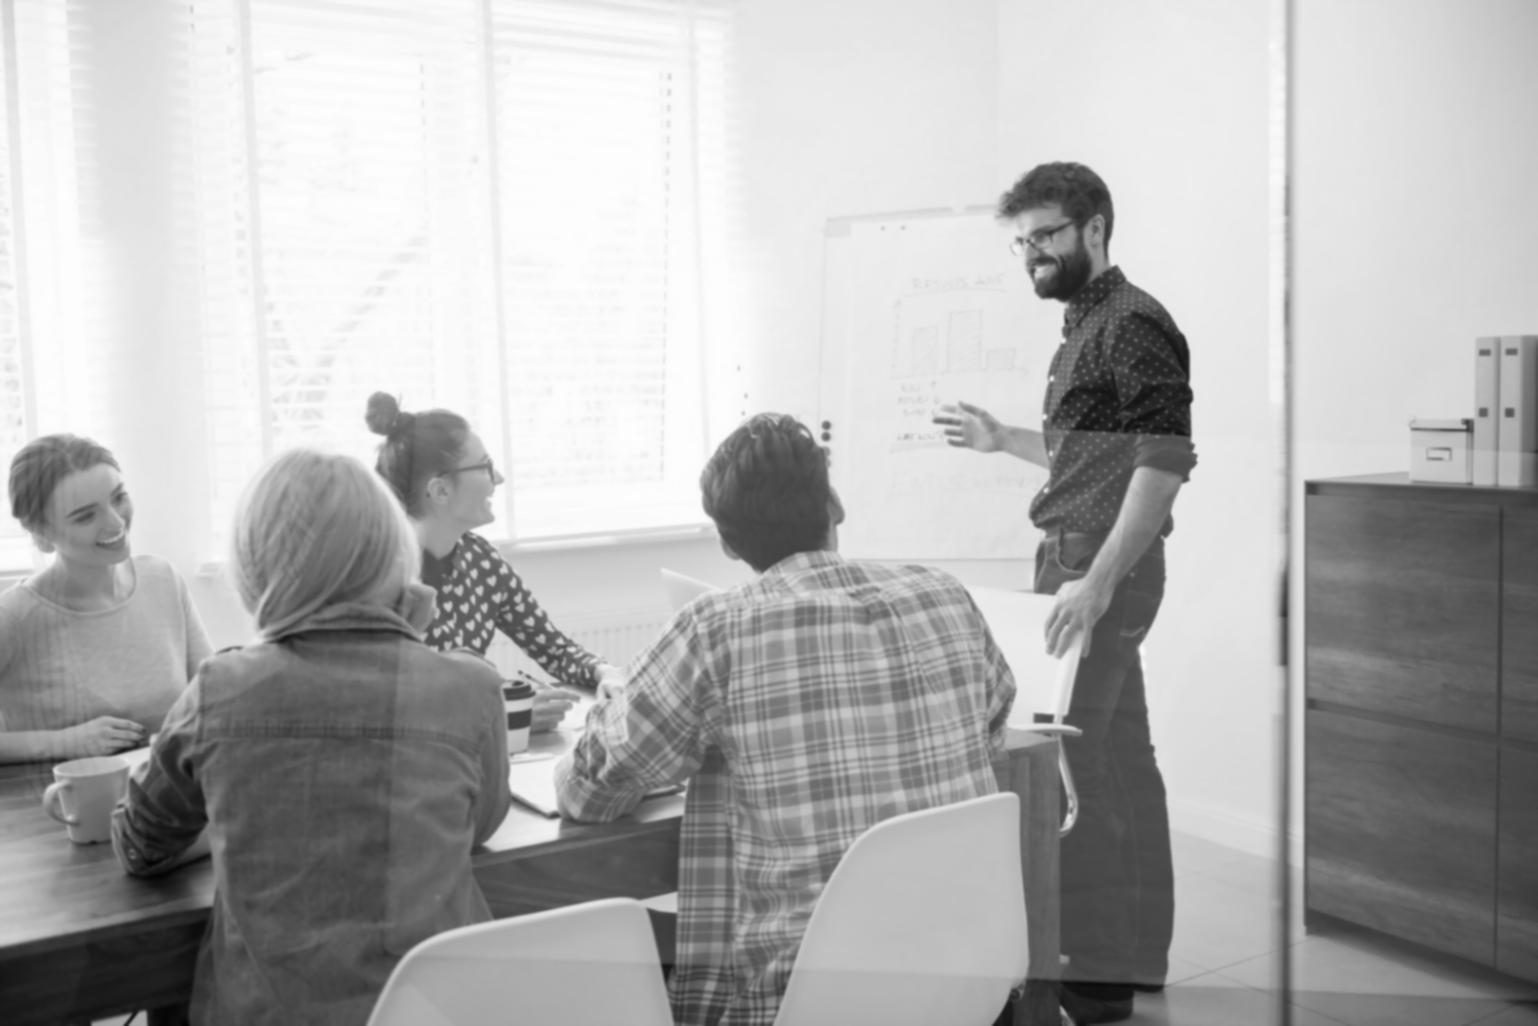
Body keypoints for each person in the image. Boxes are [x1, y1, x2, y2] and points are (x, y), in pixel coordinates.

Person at [554, 412, 1016, 1026]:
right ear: (836, 506)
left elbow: (594, 790)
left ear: (727, 542)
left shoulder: (715, 629)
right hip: (971, 977)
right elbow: (993, 724)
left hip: (810, 1000)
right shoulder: (945, 593)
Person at [111, 448, 513, 1026]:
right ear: (394, 554)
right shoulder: (470, 687)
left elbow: (140, 848)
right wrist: (411, 645)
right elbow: (476, 826)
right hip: (438, 1011)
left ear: (254, 565)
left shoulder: (221, 689)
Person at [933, 161, 1196, 1025]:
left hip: (1097, 569)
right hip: (1082, 561)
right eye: (1022, 242)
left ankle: (1095, 978)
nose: (1031, 256)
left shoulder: (1131, 324)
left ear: (1093, 229)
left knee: (1070, 766)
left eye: (1045, 236)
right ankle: (1137, 960)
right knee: (1123, 758)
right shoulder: (1087, 325)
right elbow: (1101, 461)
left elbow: (1161, 466)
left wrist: (1094, 584)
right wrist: (1004, 437)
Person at [365, 392, 621, 729]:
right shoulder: (377, 578)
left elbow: (554, 649)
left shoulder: (481, 560)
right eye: (485, 466)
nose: (498, 478)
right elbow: (381, 705)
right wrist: (505, 713)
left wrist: (608, 673)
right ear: (440, 491)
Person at [0, 434, 211, 765]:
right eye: (86, 516)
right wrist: (65, 742)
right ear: (42, 533)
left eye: (119, 497)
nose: (115, 522)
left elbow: (212, 699)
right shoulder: (13, 617)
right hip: (61, 807)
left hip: (169, 802)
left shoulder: (162, 580)